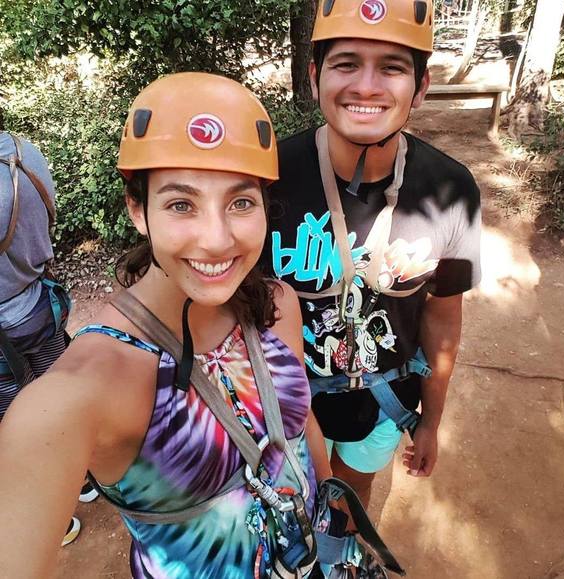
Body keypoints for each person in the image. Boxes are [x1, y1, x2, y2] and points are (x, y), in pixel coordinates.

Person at [0, 72, 331, 579]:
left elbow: (301, 426)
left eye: (241, 202)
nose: (216, 239)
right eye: (181, 204)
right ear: (138, 210)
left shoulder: (277, 305)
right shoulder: (79, 392)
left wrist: (332, 508)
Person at [267, 0, 482, 508]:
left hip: (386, 399)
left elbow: (443, 318)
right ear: (315, 76)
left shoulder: (451, 189)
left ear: (421, 87)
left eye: (392, 67)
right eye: (346, 64)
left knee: (352, 494)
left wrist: (431, 422)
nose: (366, 86)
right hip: (287, 403)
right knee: (293, 502)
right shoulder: (267, 177)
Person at [0, 131, 97, 546]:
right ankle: (88, 478)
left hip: (4, 329)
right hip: (42, 304)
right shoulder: (26, 152)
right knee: (63, 395)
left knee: (16, 423)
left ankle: (54, 517)